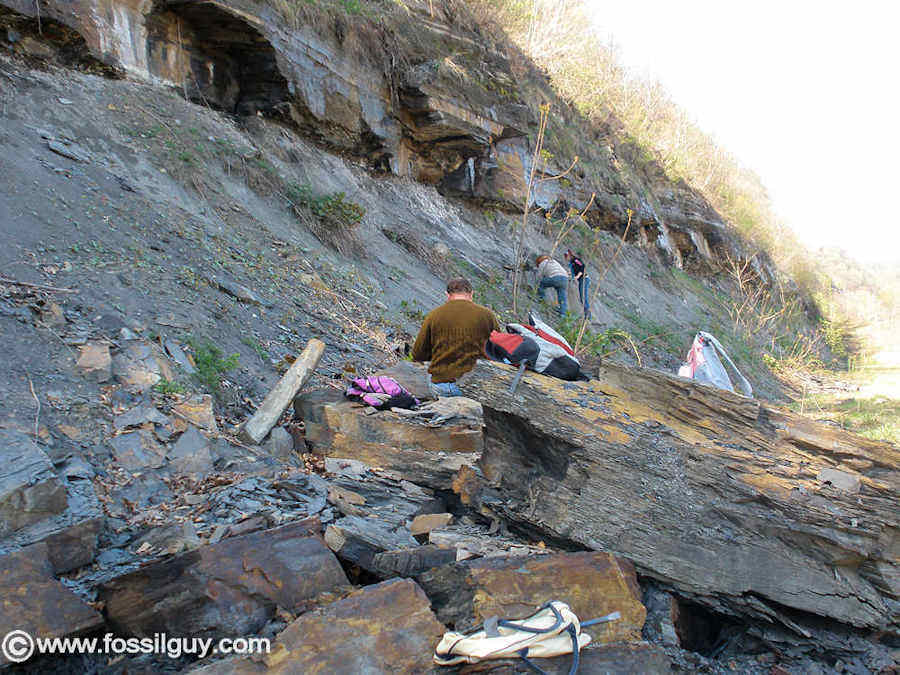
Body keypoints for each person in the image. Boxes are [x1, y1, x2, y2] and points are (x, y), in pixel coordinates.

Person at [411, 277, 500, 397]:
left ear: (447, 295)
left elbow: (418, 354)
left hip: (442, 385)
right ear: (471, 294)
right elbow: (499, 350)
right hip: (477, 386)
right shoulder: (487, 315)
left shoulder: (434, 315)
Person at [565, 249, 591, 319]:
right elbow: (572, 273)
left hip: (584, 279)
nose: (566, 257)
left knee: (583, 296)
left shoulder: (576, 260)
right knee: (582, 297)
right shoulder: (571, 263)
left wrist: (578, 276)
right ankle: (586, 314)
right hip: (581, 280)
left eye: (566, 256)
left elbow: (582, 267)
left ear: (570, 255)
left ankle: (588, 315)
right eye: (565, 256)